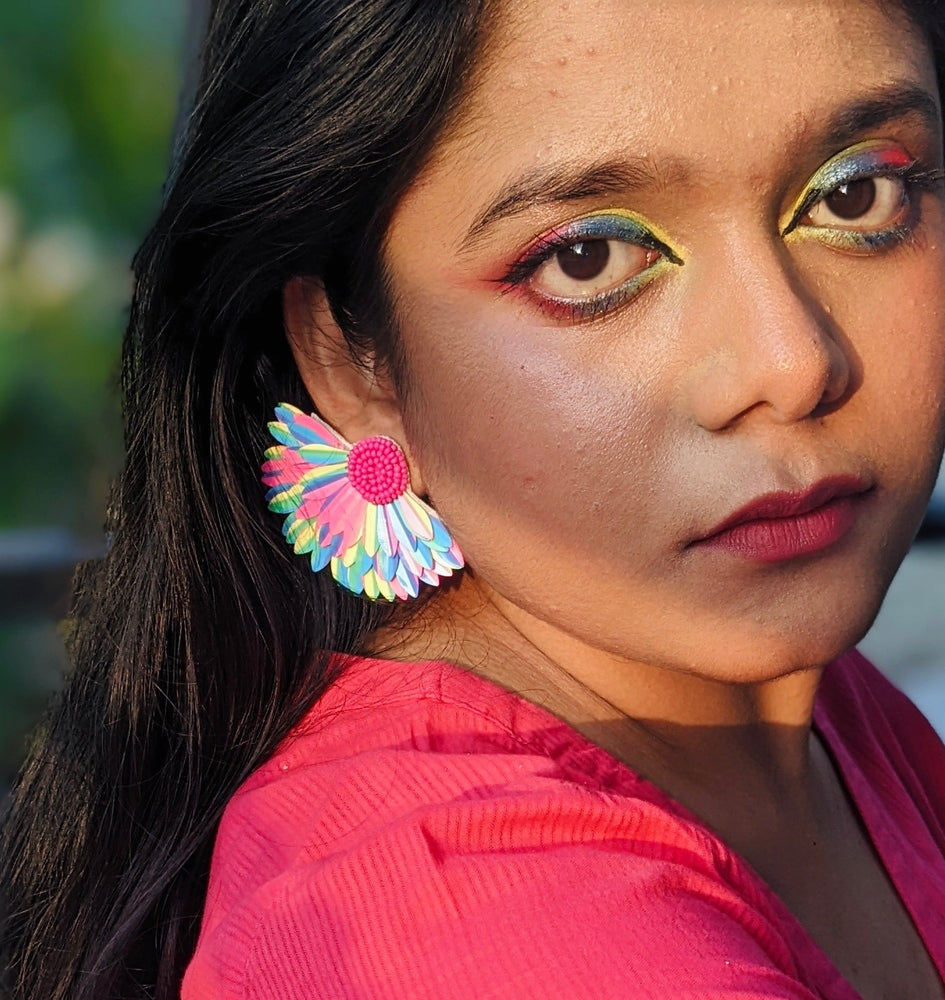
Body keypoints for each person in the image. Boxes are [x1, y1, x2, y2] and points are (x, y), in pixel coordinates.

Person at [2, 0, 945, 997]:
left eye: (857, 195)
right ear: (350, 361)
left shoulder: (790, 705)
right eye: (587, 259)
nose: (793, 363)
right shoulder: (483, 922)